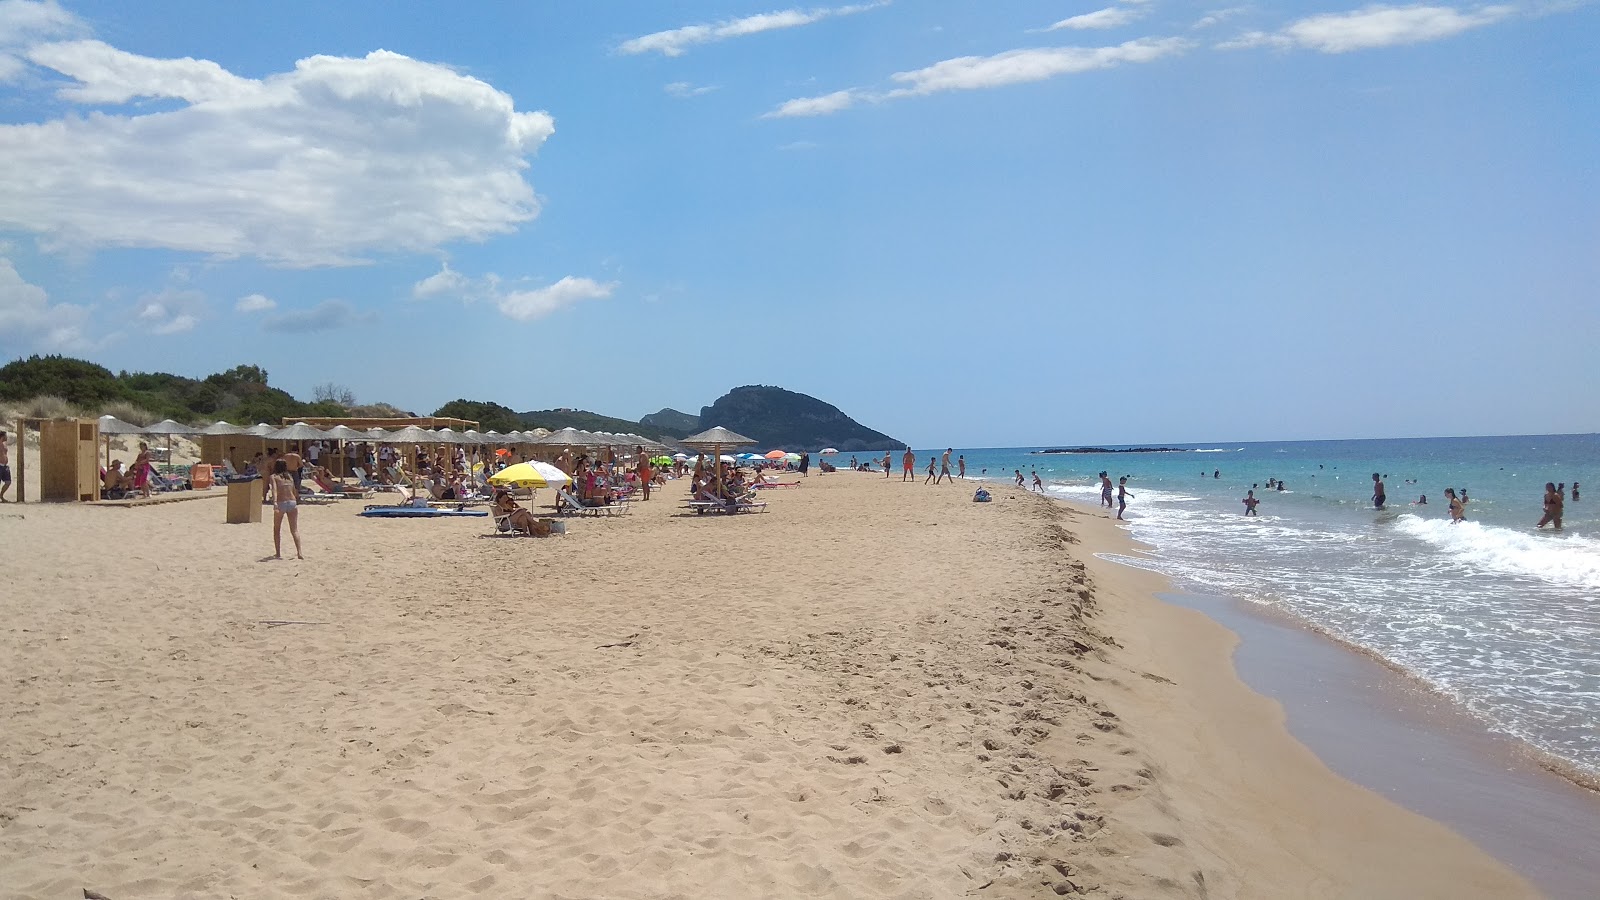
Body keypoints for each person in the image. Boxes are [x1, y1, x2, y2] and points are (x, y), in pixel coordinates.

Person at [268, 459, 303, 559]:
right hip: (292, 502)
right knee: (294, 530)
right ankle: (299, 552)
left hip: (281, 502)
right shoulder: (289, 477)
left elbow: (274, 490)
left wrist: (274, 502)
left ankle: (278, 553)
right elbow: (294, 490)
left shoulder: (274, 477)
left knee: (277, 529)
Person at [0, 430, 9, 502]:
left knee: (8, 482)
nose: (7, 437)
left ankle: (1, 495)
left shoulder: (4, 444)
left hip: (5, 466)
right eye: (5, 435)